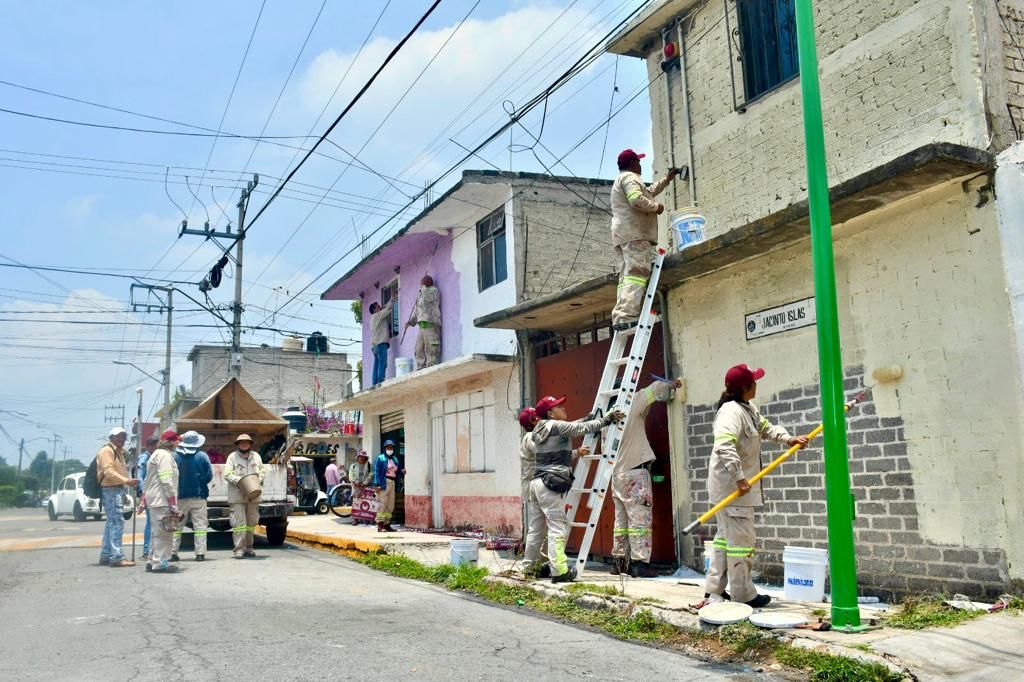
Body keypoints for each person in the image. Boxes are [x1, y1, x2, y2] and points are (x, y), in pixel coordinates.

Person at [704, 364, 809, 607]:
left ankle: (714, 591)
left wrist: (787, 438)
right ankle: (744, 595)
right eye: (754, 382)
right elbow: (724, 445)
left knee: (724, 540)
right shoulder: (731, 412)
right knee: (741, 543)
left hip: (733, 488)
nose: (757, 385)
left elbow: (765, 428)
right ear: (745, 387)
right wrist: (740, 478)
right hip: (733, 490)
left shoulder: (747, 408)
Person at [526, 396, 623, 583]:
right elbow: (578, 429)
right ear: (550, 413)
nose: (563, 408)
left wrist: (585, 419)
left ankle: (529, 568)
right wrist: (606, 419)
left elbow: (571, 426)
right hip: (551, 484)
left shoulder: (539, 429)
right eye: (558, 407)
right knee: (557, 528)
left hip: (537, 483)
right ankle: (559, 571)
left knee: (536, 529)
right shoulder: (556, 426)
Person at [608, 377, 681, 578]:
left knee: (621, 521)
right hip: (635, 472)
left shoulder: (609, 417)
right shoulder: (632, 403)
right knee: (639, 521)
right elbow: (653, 389)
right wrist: (672, 384)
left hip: (617, 475)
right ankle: (640, 564)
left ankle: (619, 563)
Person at [609, 149, 679, 330]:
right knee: (637, 274)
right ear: (632, 163)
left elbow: (647, 192)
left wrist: (666, 179)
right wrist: (656, 207)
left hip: (622, 235)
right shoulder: (630, 178)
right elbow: (637, 200)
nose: (640, 165)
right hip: (635, 235)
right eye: (638, 161)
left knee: (625, 277)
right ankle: (628, 315)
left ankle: (620, 316)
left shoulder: (622, 180)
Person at [140, 430, 181, 573]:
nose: (178, 443)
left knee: (156, 533)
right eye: (176, 441)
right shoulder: (164, 456)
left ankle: (152, 560)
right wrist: (172, 502)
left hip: (155, 499)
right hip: (162, 499)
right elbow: (166, 480)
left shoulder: (155, 455)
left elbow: (147, 481)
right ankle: (160, 563)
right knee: (164, 533)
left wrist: (143, 500)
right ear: (170, 442)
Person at [96, 426, 138, 568]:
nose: (122, 439)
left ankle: (106, 555)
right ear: (112, 437)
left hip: (116, 489)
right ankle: (116, 556)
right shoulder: (107, 451)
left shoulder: (118, 452)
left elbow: (119, 472)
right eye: (118, 436)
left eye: (123, 436)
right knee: (116, 522)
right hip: (110, 489)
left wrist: (124, 490)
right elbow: (109, 472)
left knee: (112, 522)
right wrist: (126, 482)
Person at [171, 431, 213, 562]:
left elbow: (172, 476)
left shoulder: (175, 457)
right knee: (200, 526)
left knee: (177, 526)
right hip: (199, 496)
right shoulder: (202, 456)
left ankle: (173, 553)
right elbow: (209, 475)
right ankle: (200, 554)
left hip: (180, 497)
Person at [224, 434, 265, 559]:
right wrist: (241, 481)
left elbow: (262, 471)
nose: (244, 444)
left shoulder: (256, 456)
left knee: (251, 523)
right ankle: (239, 549)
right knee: (239, 523)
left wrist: (259, 479)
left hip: (253, 495)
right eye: (241, 442)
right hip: (237, 496)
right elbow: (227, 474)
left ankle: (249, 547)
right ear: (238, 444)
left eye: (246, 442)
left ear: (250, 444)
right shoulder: (232, 457)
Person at [405, 275, 441, 369]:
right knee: (418, 348)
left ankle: (432, 364)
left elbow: (429, 297)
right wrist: (410, 322)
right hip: (422, 324)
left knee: (431, 345)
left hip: (431, 322)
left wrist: (423, 288)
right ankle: (421, 366)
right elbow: (417, 312)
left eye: (423, 282)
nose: (421, 285)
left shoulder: (433, 290)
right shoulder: (420, 295)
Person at [136, 435, 159, 560]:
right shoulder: (144, 458)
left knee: (153, 522)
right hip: (148, 493)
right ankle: (146, 551)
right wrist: (143, 492)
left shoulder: (154, 457)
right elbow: (140, 477)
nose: (156, 447)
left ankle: (150, 550)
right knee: (150, 523)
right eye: (154, 445)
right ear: (149, 446)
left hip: (152, 492)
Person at [373, 440, 404, 533]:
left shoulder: (395, 459)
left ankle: (387, 524)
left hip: (392, 483)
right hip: (383, 482)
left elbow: (398, 471)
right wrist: (377, 484)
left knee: (390, 505)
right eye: (388, 448)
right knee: (382, 504)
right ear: (385, 449)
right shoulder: (380, 458)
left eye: (391, 448)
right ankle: (380, 524)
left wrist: (402, 471)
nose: (389, 449)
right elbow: (376, 472)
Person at [369, 299, 394, 385]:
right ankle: (381, 381)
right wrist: (392, 298)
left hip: (374, 345)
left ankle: (375, 382)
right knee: (382, 363)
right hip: (381, 343)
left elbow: (383, 309)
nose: (380, 307)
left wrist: (383, 306)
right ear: (374, 310)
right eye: (378, 306)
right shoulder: (378, 315)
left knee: (376, 364)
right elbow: (388, 309)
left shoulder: (373, 317)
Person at [348, 450, 374, 525]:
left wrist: (364, 483)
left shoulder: (369, 465)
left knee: (366, 502)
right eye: (360, 457)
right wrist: (355, 481)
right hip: (356, 487)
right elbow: (350, 475)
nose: (361, 458)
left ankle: (365, 518)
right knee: (356, 502)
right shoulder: (353, 466)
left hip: (366, 486)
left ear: (365, 458)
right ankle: (355, 519)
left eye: (363, 457)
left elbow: (371, 474)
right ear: (358, 457)